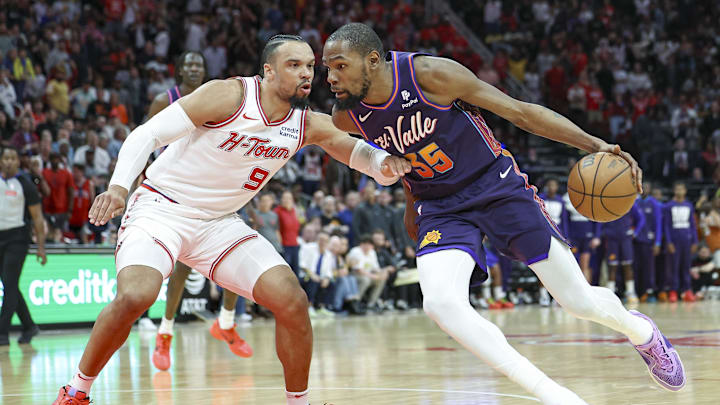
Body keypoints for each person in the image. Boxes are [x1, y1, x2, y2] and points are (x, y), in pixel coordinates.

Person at [322, 23, 685, 404]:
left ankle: (640, 332)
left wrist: (596, 144)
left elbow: (521, 112)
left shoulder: (431, 76)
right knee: (441, 303)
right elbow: (404, 158)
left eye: (340, 66)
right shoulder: (347, 116)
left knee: (578, 303)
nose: (330, 78)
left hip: (495, 185)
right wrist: (412, 203)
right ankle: (556, 396)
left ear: (373, 60)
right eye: (327, 68)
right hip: (441, 208)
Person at [52, 34, 409, 405]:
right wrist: (119, 188)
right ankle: (77, 390)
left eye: (309, 66)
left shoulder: (305, 124)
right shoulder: (231, 95)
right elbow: (149, 133)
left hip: (219, 223)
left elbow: (361, 156)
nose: (306, 73)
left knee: (292, 299)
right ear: (268, 71)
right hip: (162, 208)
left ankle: (298, 401)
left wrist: (386, 165)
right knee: (137, 295)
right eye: (294, 65)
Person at [144, 51, 253, 371]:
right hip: (177, 193)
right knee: (181, 271)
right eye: (188, 63)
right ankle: (164, 333)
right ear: (179, 69)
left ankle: (227, 323)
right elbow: (144, 140)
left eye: (199, 65)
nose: (194, 68)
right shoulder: (163, 100)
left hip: (217, 190)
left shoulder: (218, 98)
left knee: (237, 258)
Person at [0, 146, 46, 346]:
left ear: (18, 161)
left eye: (13, 158)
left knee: (9, 284)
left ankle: (2, 333)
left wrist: (41, 247)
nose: (9, 161)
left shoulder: (25, 184)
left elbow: (37, 217)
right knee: (10, 286)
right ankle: (29, 326)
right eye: (6, 158)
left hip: (18, 238)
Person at [601, 201, 645, 304]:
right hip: (612, 239)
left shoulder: (629, 202)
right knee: (612, 266)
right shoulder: (607, 203)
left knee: (627, 265)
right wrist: (605, 232)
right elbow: (600, 221)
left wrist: (635, 232)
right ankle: (610, 292)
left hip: (625, 238)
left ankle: (630, 292)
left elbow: (641, 219)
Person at [663, 181, 698, 303]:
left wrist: (695, 241)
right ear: (674, 191)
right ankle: (673, 291)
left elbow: (693, 225)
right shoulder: (669, 206)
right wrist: (669, 242)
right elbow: (666, 226)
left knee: (686, 266)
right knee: (674, 267)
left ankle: (687, 291)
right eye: (677, 189)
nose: (679, 191)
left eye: (681, 189)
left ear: (685, 191)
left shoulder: (689, 205)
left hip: (687, 240)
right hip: (674, 240)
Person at [634, 180, 663, 302]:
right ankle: (637, 292)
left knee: (649, 267)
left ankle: (649, 292)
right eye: (642, 187)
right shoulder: (635, 202)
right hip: (636, 241)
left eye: (647, 187)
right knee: (636, 267)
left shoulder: (654, 204)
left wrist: (657, 242)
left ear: (650, 189)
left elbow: (658, 224)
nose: (644, 189)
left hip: (649, 242)